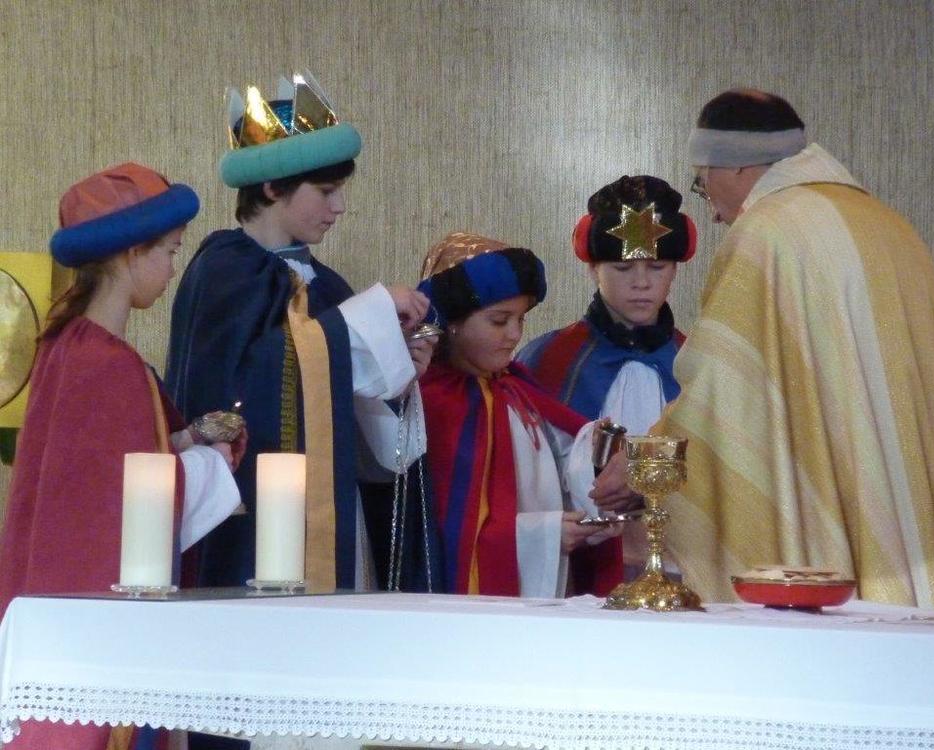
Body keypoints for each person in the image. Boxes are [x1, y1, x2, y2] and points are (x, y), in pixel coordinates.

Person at [594, 88, 934, 610]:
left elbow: (723, 392)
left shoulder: (768, 232)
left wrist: (646, 459)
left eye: (702, 182)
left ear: (735, 166)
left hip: (839, 506)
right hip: (915, 502)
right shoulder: (887, 224)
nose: (712, 211)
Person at [166, 73, 440, 598]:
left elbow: (347, 409)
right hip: (251, 512)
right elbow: (245, 381)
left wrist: (397, 373)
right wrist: (365, 320)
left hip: (330, 504)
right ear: (273, 187)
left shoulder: (328, 285)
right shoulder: (225, 269)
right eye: (326, 191)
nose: (339, 207)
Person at [0, 162, 242, 750]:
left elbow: (97, 472)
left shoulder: (65, 345)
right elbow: (130, 502)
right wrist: (214, 465)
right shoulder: (109, 363)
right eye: (170, 251)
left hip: (51, 605)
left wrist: (183, 439)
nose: (174, 267)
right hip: (98, 626)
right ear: (134, 253)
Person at [418, 232, 621, 598]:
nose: (514, 335)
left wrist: (593, 479)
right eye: (499, 321)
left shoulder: (517, 387)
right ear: (453, 321)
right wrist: (545, 536)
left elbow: (560, 463)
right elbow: (449, 533)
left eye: (521, 319)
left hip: (546, 589)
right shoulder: (432, 401)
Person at [518, 175, 696, 579]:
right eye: (622, 267)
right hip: (578, 571)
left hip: (681, 568)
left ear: (675, 270)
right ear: (592, 268)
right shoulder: (547, 360)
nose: (641, 282)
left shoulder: (696, 365)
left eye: (657, 266)